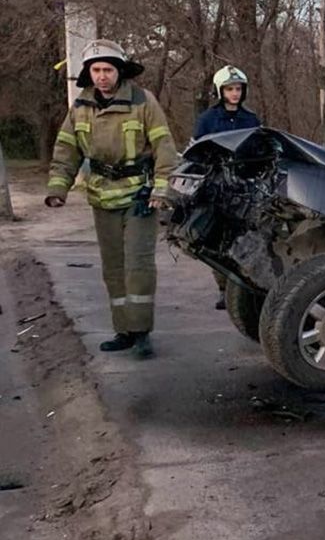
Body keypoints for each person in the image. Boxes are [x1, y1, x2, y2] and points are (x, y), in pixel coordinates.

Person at [45, 39, 177, 359]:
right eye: (96, 70)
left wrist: (161, 189)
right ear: (89, 73)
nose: (102, 76)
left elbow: (164, 147)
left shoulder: (142, 101)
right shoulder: (81, 107)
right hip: (101, 197)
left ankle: (141, 332)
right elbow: (66, 150)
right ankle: (124, 331)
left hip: (140, 197)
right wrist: (57, 189)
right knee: (113, 268)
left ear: (119, 71)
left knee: (138, 266)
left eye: (108, 69)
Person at [190, 65, 262, 309]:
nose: (235, 93)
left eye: (238, 89)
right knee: (218, 240)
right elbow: (197, 153)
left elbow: (259, 151)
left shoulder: (250, 119)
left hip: (245, 186)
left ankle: (246, 288)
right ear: (220, 91)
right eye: (230, 89)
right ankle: (224, 288)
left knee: (244, 239)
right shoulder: (207, 120)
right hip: (216, 185)